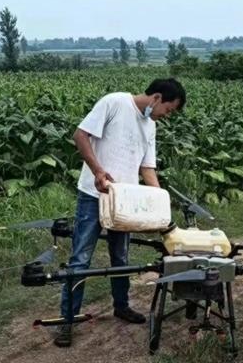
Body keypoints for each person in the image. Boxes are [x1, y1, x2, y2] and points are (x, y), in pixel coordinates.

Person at [54, 78, 186, 347]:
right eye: (169, 110)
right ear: (157, 98)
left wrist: (161, 202)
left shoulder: (150, 126)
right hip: (94, 196)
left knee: (122, 257)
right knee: (80, 258)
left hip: (125, 201)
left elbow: (147, 169)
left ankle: (121, 306)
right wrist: (98, 171)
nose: (166, 116)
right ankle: (67, 320)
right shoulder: (114, 102)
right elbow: (80, 135)